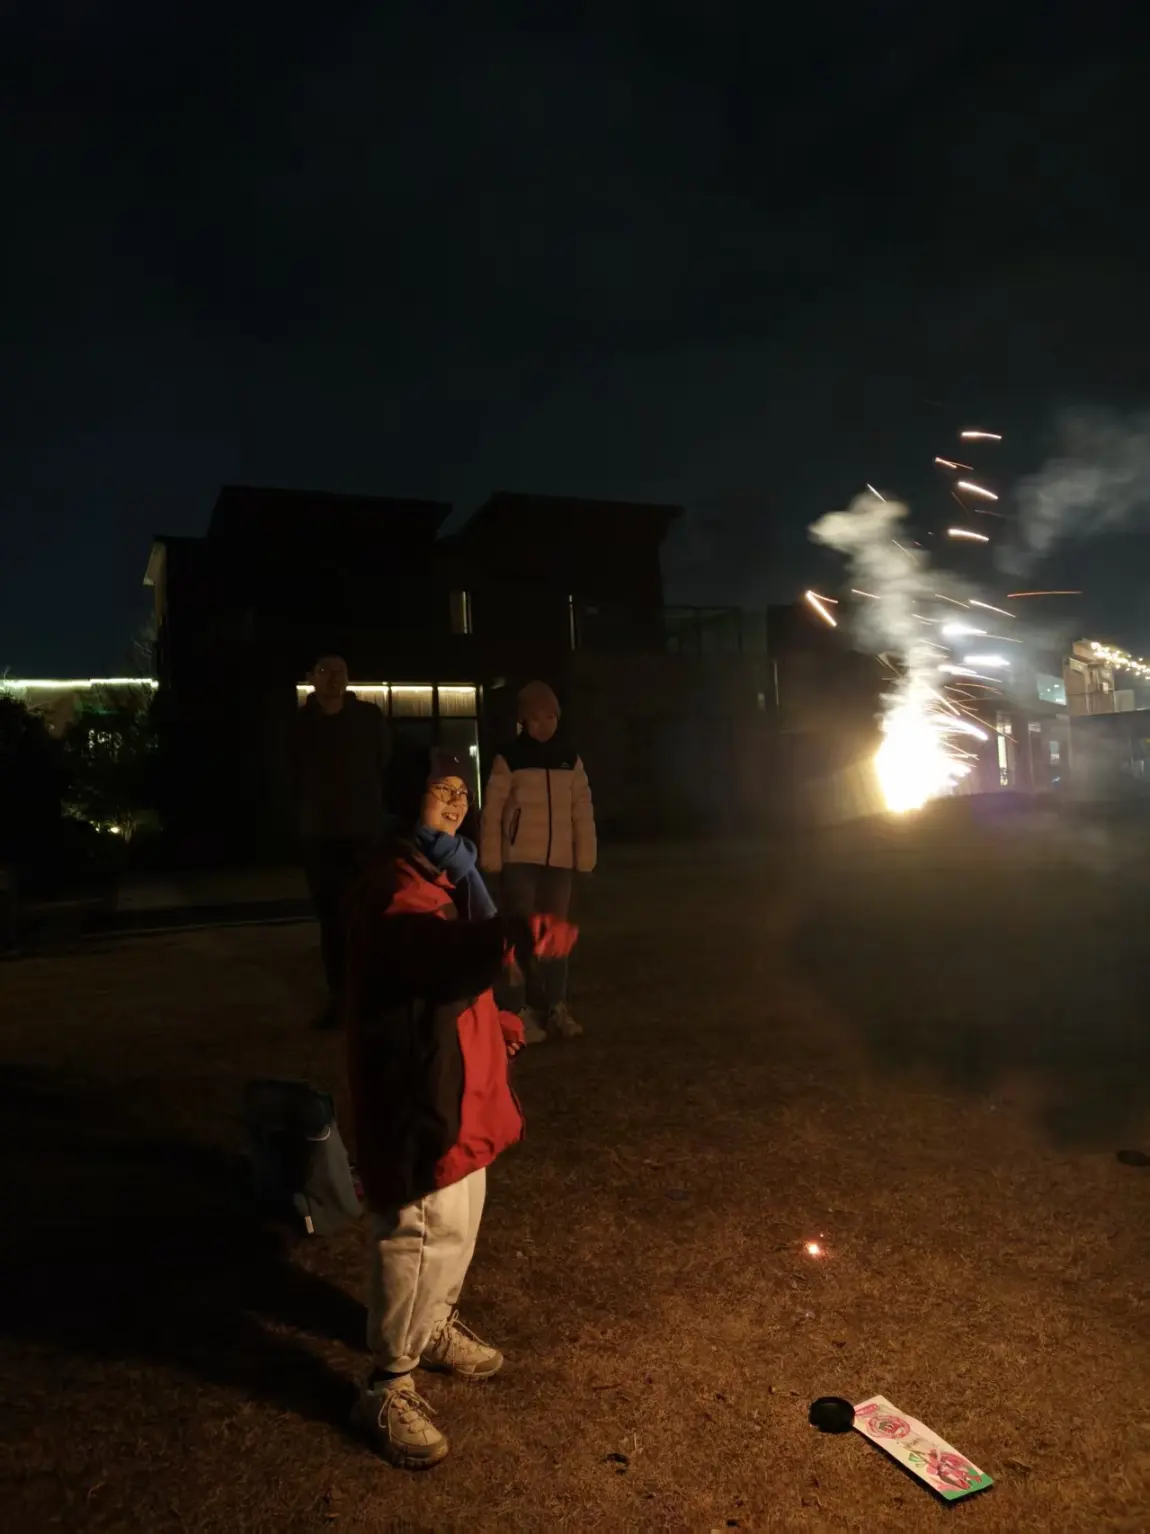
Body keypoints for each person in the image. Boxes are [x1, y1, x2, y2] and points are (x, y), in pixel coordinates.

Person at [343, 749, 575, 1470]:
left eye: (459, 792)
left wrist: (497, 1020)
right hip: (420, 1086)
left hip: (461, 1076)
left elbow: (458, 970)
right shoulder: (392, 879)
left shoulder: (450, 870)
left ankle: (433, 1324)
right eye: (436, 790)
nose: (452, 802)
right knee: (420, 1228)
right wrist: (504, 936)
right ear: (403, 799)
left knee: (461, 1220)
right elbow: (429, 951)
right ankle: (387, 1381)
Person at [480, 680, 596, 1042]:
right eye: (534, 718)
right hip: (519, 860)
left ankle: (556, 1005)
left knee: (555, 935)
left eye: (549, 717)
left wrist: (585, 855)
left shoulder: (569, 758)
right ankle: (519, 1009)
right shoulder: (509, 757)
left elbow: (582, 808)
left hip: (559, 862)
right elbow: (493, 810)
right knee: (519, 933)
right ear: (522, 721)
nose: (543, 724)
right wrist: (492, 857)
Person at [287, 655, 391, 1026]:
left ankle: (371, 994)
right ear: (312, 678)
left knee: (368, 915)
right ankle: (340, 996)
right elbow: (290, 773)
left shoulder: (368, 718)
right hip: (320, 834)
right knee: (331, 918)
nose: (334, 678)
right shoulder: (300, 724)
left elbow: (383, 763)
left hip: (363, 831)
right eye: (325, 672)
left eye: (341, 671)